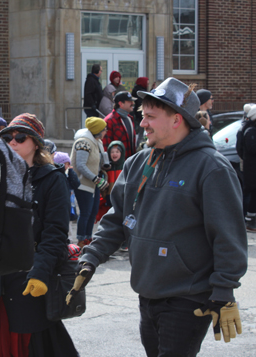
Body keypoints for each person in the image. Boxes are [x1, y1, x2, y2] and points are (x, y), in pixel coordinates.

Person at [68, 77, 247, 356]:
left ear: (177, 120)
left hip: (188, 298)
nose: (142, 123)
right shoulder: (137, 163)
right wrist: (90, 257)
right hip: (147, 293)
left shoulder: (212, 169)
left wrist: (224, 290)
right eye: (142, 116)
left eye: (150, 116)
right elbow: (117, 220)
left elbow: (229, 237)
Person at [0, 113, 79, 357]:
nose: (13, 141)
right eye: (7, 137)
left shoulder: (53, 179)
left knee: (35, 345)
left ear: (35, 143)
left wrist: (40, 273)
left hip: (30, 279)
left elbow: (55, 234)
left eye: (20, 137)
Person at [70, 117, 109, 248]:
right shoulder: (84, 142)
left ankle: (88, 237)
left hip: (94, 181)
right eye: (104, 129)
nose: (106, 132)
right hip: (83, 182)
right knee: (85, 212)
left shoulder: (97, 141)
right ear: (98, 131)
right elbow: (81, 165)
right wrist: (95, 178)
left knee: (93, 211)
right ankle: (81, 240)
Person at [95, 140, 125, 223]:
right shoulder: (106, 168)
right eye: (112, 152)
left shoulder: (125, 167)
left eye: (117, 152)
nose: (114, 154)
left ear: (121, 153)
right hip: (108, 198)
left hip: (121, 198)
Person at [238, 105, 256, 231]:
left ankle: (250, 218)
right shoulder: (249, 132)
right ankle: (247, 219)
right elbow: (249, 149)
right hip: (251, 168)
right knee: (248, 192)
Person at [103, 91, 136, 159]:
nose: (132, 103)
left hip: (130, 162)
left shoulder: (129, 118)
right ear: (121, 103)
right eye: (129, 101)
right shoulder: (109, 120)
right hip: (117, 166)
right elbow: (106, 146)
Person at [132, 77, 154, 143]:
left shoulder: (137, 90)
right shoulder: (139, 93)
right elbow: (139, 106)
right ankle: (139, 147)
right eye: (147, 83)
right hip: (139, 117)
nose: (147, 85)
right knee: (141, 135)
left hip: (139, 117)